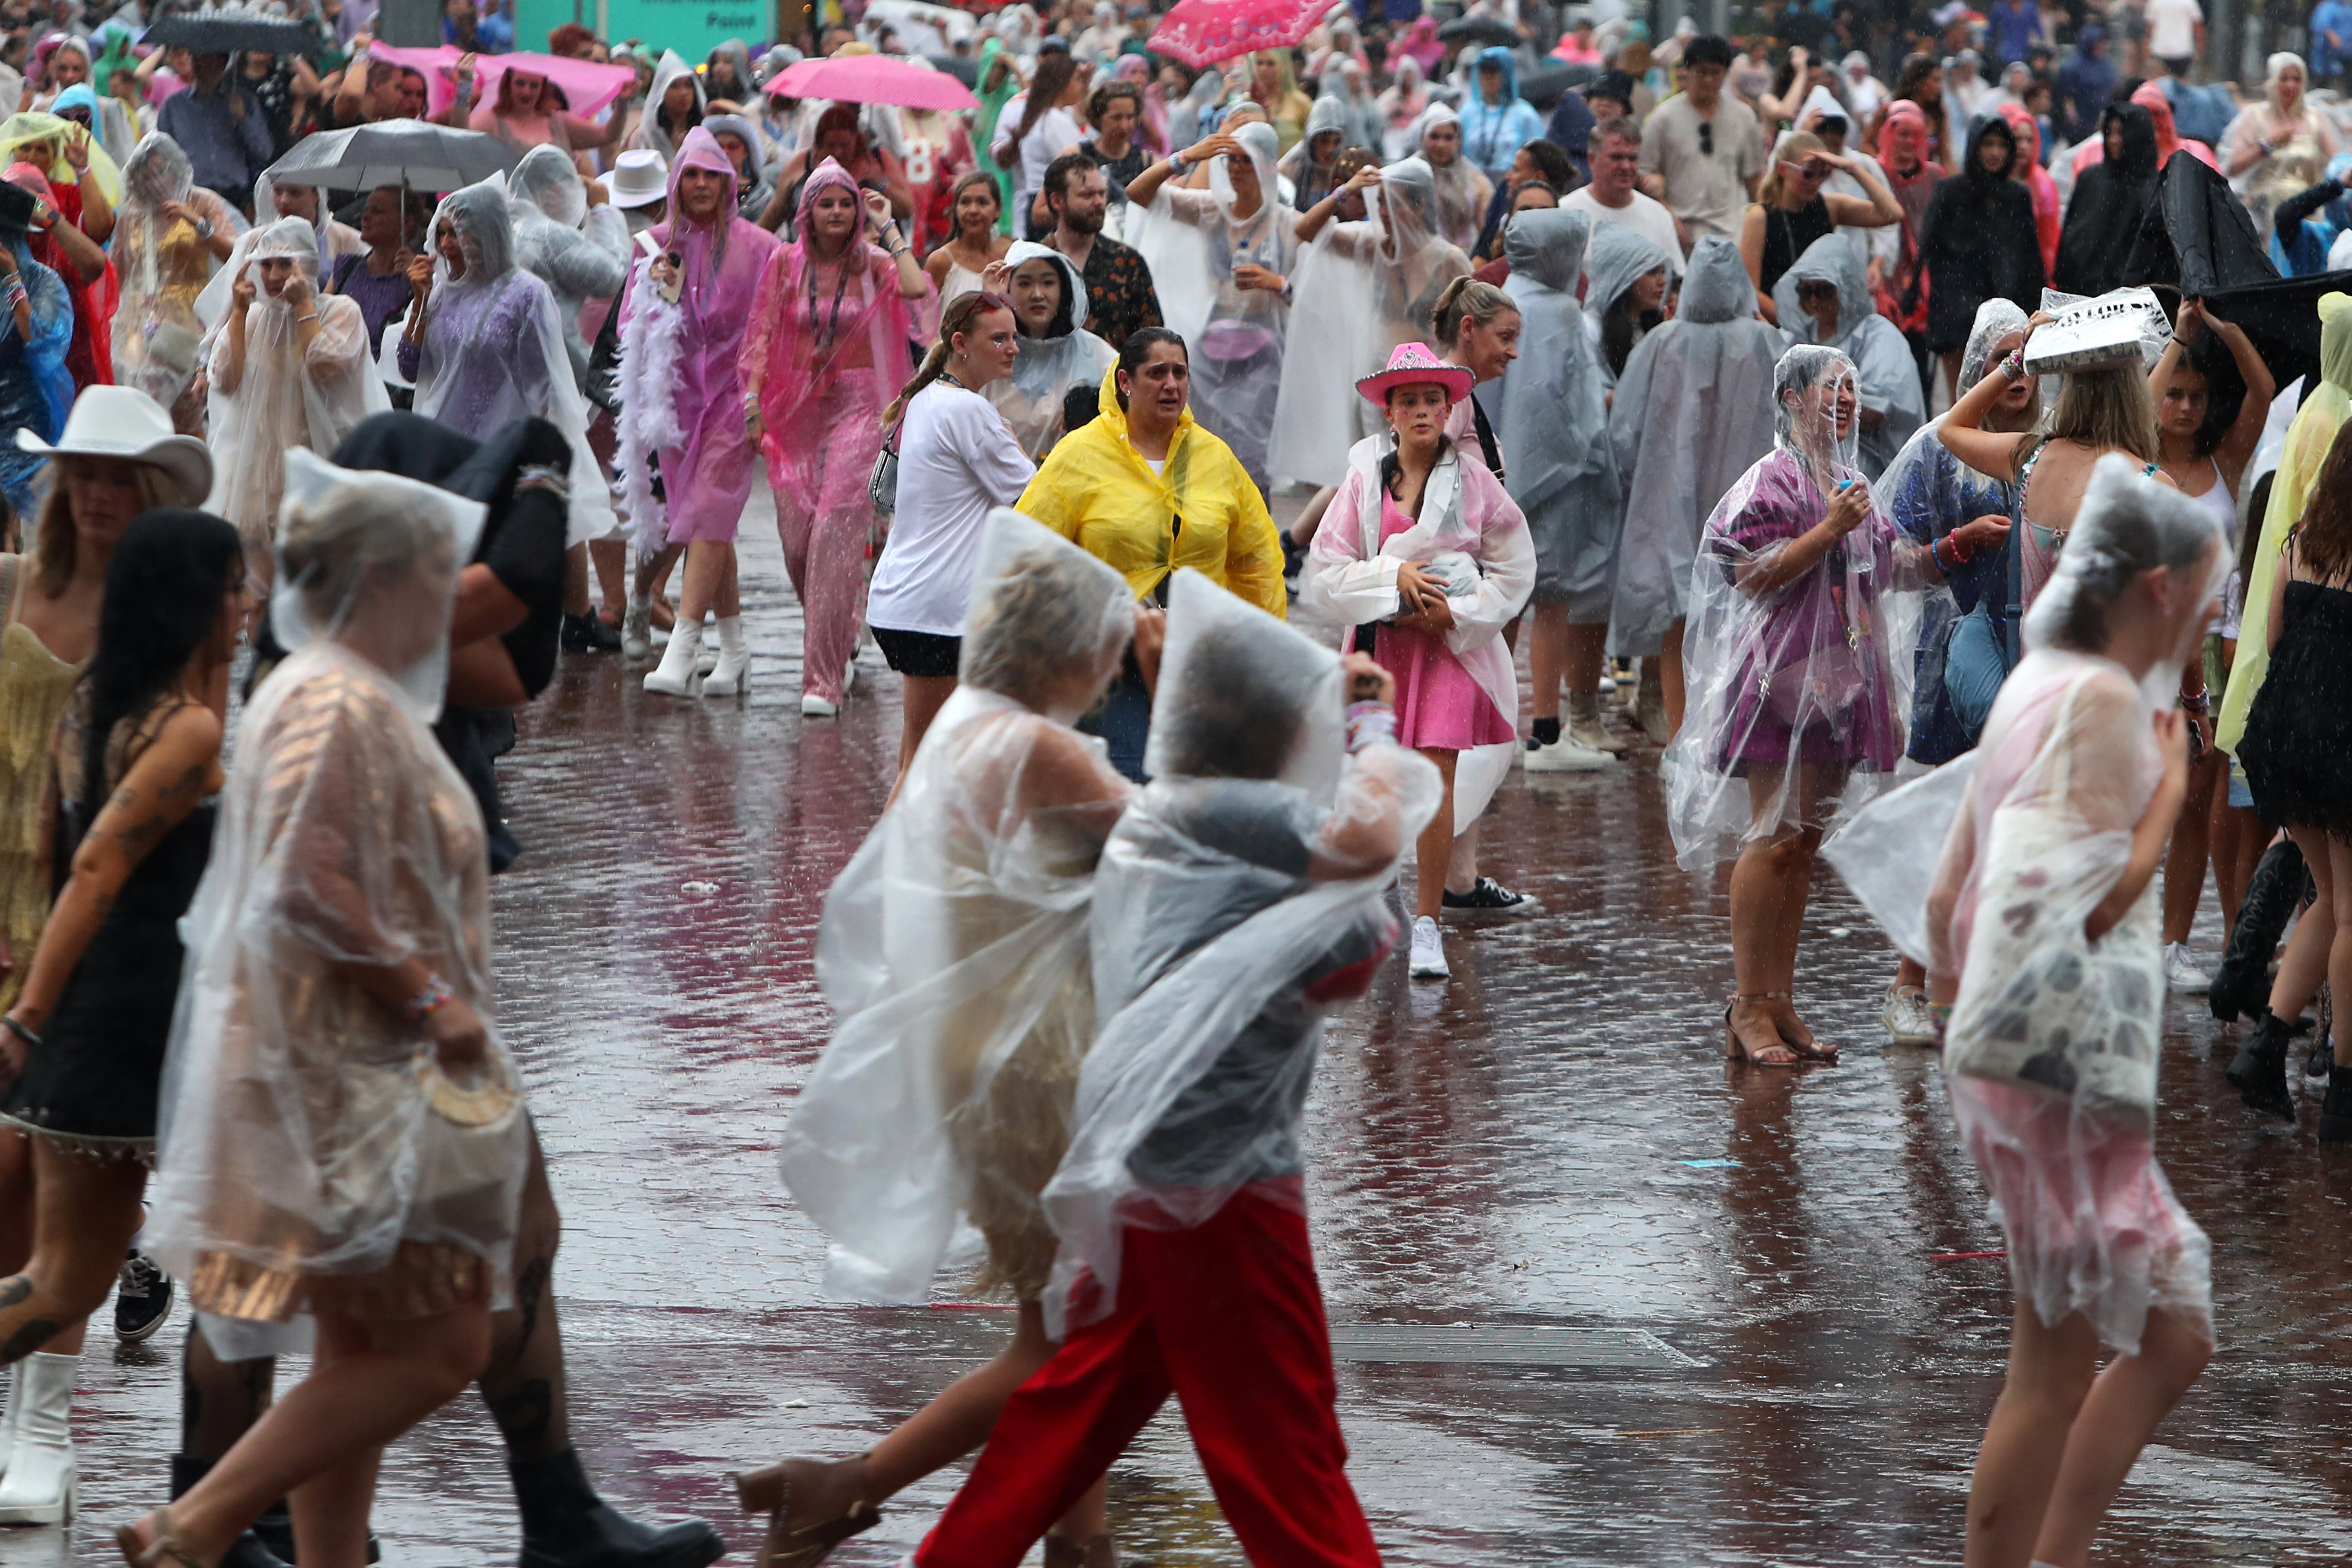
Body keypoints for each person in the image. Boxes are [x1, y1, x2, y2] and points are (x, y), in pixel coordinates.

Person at [898, 568, 1437, 1568]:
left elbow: (1335, 949)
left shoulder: (1175, 812)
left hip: (1157, 1160)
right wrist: (1369, 727)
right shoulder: (1238, 817)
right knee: (1282, 1440)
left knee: (1074, 1409)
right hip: (1222, 1176)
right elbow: (1367, 846)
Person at [124, 464, 534, 1568]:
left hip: (337, 1069)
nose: (451, 600)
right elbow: (306, 884)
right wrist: (430, 996)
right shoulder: (337, 698)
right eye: (438, 575)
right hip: (352, 1074)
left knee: (358, 1338)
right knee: (441, 1342)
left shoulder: (328, 687)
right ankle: (195, 1522)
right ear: (383, 580)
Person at [753, 512, 1144, 1568]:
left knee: (1064, 1325)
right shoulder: (1033, 745)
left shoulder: (968, 726)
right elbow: (1176, 841)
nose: (1113, 672)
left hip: (984, 1048)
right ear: (1064, 647)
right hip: (1039, 1058)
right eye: (1105, 649)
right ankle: (852, 1486)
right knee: (1067, 1340)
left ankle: (1078, 1538)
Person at [1921, 456, 2219, 1567]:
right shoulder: (2097, 700)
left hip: (2015, 1059)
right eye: (2200, 594)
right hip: (2050, 1066)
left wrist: (1968, 1032)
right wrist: (2173, 799)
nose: (2206, 616)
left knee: (2145, 1337)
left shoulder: (2034, 688)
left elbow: (1952, 892)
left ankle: (2056, 1555)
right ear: (2156, 591)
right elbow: (2086, 908)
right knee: (2073, 1359)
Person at [1667, 346, 1921, 1063]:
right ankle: (1747, 1004)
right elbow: (1748, 575)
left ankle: (1779, 1000)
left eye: (1850, 388)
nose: (1842, 400)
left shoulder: (1849, 480)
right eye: (1828, 388)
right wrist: (1828, 529)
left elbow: (1889, 568)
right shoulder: (1770, 480)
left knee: (1804, 842)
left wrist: (1952, 549)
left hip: (1845, 683)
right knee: (1772, 836)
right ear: (1789, 398)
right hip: (1781, 680)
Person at [1302, 341, 1531, 982]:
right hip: (1382, 650)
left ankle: (1428, 923)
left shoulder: (1476, 481)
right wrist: (1392, 576)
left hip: (1449, 653)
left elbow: (1516, 562)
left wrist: (1459, 612)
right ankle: (1381, 897)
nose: (1425, 410)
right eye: (1411, 401)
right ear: (1391, 413)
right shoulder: (1364, 480)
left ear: (1449, 406)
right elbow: (1325, 568)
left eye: (1434, 398)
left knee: (1436, 780)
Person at [1014, 330, 1284, 780]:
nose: (1171, 385)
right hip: (1110, 658)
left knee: (1195, 788)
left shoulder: (1215, 459)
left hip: (1199, 656)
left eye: (1180, 373)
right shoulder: (1079, 455)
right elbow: (1031, 552)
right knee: (1126, 784)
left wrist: (1262, 650)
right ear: (1125, 381)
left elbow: (1256, 558)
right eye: (1157, 373)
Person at [741, 159, 934, 719]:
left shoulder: (873, 263)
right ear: (807, 211)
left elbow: (921, 293)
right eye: (825, 203)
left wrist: (890, 227)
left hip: (860, 407)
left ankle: (823, 679)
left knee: (834, 531)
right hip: (795, 410)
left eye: (845, 203)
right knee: (799, 542)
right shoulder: (785, 263)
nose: (836, 212)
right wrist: (752, 403)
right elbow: (762, 336)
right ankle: (842, 625)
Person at [621, 129, 783, 698]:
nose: (700, 186)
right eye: (690, 174)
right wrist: (656, 295)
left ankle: (683, 647)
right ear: (676, 183)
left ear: (729, 183)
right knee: (705, 522)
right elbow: (628, 332)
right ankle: (735, 649)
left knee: (711, 508)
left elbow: (773, 324)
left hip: (736, 400)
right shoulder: (653, 246)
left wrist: (763, 397)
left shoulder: (761, 247)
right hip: (676, 405)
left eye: (711, 175)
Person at [2147, 300, 2273, 992]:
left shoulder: (2224, 459)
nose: (2187, 406)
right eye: (2176, 394)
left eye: (2196, 395)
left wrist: (2224, 328)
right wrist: (2178, 336)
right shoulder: (2135, 454)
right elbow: (2140, 404)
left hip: (2208, 649)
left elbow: (2261, 391)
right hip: (2148, 644)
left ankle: (2172, 942)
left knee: (2196, 802)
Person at [1611, 235, 1782, 743]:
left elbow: (1624, 434)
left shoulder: (1659, 345)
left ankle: (1684, 740)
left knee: (1679, 618)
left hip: (1667, 503)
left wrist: (1632, 484)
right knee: (1746, 619)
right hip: (1754, 505)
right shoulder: (1770, 342)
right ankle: (1735, 736)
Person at [867, 286, 1037, 781]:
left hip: (911, 601)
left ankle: (913, 856)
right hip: (937, 612)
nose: (1013, 348)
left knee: (920, 758)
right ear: (961, 343)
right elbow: (1034, 497)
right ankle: (898, 859)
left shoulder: (929, 398)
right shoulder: (967, 411)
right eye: (999, 339)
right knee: (927, 768)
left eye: (1014, 337)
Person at [2236, 420, 2352, 1137]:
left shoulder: (2300, 538)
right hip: (2341, 745)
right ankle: (2343, 1091)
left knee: (2332, 902)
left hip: (2281, 735)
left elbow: (2275, 638)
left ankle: (2267, 1043)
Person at [1478, 208, 1620, 774]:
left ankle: (1491, 726)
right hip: (1556, 484)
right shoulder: (1561, 312)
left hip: (1500, 479)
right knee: (1553, 603)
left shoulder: (1497, 302)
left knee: (1505, 602)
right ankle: (1546, 731)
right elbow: (1579, 407)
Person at [399, 178, 613, 548]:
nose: (448, 245)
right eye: (444, 233)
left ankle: (578, 608)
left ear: (487, 232)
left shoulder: (526, 293)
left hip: (503, 451)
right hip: (445, 450)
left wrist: (531, 459)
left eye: (459, 234)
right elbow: (409, 368)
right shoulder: (439, 295)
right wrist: (419, 304)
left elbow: (544, 383)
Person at [197, 217, 388, 580]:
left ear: (309, 264)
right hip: (258, 471)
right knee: (258, 583)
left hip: (319, 462)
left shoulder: (340, 311)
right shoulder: (254, 317)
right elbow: (225, 378)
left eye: (286, 264)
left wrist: (303, 308)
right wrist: (237, 314)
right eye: (266, 265)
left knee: (314, 583)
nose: (273, 275)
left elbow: (328, 369)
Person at [1940, 315, 2168, 615]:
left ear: (2070, 387)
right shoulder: (2154, 485)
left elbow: (1951, 428)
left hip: (2033, 659)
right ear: (2135, 391)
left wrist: (2020, 359)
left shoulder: (2032, 457)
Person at [1121, 124, 1297, 493]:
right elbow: (1138, 193)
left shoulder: (1287, 223)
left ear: (1267, 166)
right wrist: (1184, 158)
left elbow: (1310, 296)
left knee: (1251, 457)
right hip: (1209, 348)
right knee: (1197, 448)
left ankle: (1255, 541)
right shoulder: (1210, 210)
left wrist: (1276, 283)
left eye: (1246, 161)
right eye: (1231, 160)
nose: (1236, 169)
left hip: (1264, 353)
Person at [111, 135, 239, 432]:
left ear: (177, 169)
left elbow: (234, 254)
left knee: (187, 411)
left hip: (190, 318)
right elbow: (118, 274)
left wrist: (196, 221)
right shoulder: (132, 217)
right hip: (140, 320)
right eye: (146, 175)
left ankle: (190, 472)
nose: (155, 182)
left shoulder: (203, 201)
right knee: (143, 411)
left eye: (161, 172)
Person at [1914, 115, 2044, 404]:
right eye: (1988, 144)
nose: (1996, 153)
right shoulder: (1950, 192)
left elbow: (2030, 259)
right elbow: (1929, 251)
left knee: (2008, 402)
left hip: (2007, 314)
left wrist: (2033, 310)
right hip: (1956, 316)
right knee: (1962, 400)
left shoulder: (2017, 196)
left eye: (2002, 145)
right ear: (1975, 147)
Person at [1772, 233, 1923, 478]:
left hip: (1867, 470)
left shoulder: (1878, 335)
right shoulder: (1798, 337)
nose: (1813, 301)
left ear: (1847, 288)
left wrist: (1816, 407)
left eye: (1823, 291)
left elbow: (1884, 412)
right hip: (1804, 469)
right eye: (1804, 292)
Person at [1740, 130, 1900, 317]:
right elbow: (1750, 290)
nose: (1816, 183)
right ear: (1784, 170)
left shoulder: (1829, 207)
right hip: (1777, 327)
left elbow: (1893, 214)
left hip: (1818, 327)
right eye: (1808, 174)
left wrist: (1852, 168)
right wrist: (1793, 323)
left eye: (1823, 175)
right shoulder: (1760, 217)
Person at [988, 241, 1115, 460]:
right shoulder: (990, 352)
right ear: (1007, 290)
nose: (1037, 295)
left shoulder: (1096, 354)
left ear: (1063, 289)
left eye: (1048, 283)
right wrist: (990, 307)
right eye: (1025, 284)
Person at [1638, 35, 1764, 249]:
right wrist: (1667, 215)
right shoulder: (1662, 119)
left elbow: (1754, 179)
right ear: (1687, 71)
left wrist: (1760, 225)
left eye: (1716, 73)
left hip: (1732, 233)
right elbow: (1644, 172)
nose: (1708, 80)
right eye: (1701, 72)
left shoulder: (1744, 117)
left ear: (1726, 73)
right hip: (1680, 232)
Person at [1042, 153, 1161, 356]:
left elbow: (1151, 340)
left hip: (1114, 382)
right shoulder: (1036, 262)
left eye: (1102, 193)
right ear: (1057, 201)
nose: (1099, 202)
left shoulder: (1128, 262)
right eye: (1087, 195)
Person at [2218, 53, 2340, 241]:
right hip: (2262, 212)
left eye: (2296, 79)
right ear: (2272, 81)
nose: (2291, 85)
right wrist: (2268, 145)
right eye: (2284, 79)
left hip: (2306, 212)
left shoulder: (2316, 119)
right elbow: (2232, 167)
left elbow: (2338, 164)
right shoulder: (2254, 117)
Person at [2056, 103, 2160, 298]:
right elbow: (2072, 238)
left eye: (2122, 133)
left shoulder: (2155, 186)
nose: (2114, 140)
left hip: (2131, 301)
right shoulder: (2092, 179)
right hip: (2082, 296)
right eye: (2109, 132)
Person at [1568, 117, 1684, 278]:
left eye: (1633, 158)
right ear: (1592, 160)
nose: (1626, 166)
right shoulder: (1567, 213)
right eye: (1616, 158)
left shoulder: (1659, 215)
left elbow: (1676, 280)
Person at [154, 53, 270, 211]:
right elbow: (161, 154)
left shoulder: (244, 101)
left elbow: (264, 151)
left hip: (235, 196)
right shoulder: (173, 106)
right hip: (191, 197)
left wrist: (243, 118)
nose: (199, 66)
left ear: (221, 63)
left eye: (206, 60)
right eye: (195, 59)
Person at [457, 59, 622, 162]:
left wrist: (623, 103)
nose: (527, 92)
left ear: (543, 89)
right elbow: (459, 135)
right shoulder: (492, 121)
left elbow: (609, 135)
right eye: (520, 83)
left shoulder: (559, 121)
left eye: (534, 86)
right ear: (508, 84)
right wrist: (465, 85)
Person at [328, 186, 422, 366]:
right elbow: (321, 317)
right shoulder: (347, 267)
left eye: (377, 211)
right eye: (365, 210)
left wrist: (416, 283)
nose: (364, 217)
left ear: (407, 222)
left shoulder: (421, 275)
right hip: (338, 378)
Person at [993, 51, 1082, 239]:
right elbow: (1077, 166)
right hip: (1051, 203)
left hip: (1037, 202)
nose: (1080, 86)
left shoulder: (1040, 117)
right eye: (1077, 80)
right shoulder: (1054, 120)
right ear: (1062, 84)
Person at [1408, 103, 1491, 254]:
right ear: (1422, 138)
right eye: (1434, 137)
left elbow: (1487, 231)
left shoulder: (1475, 179)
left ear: (1459, 141)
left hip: (1468, 260)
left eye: (1449, 138)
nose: (1441, 145)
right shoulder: (1410, 176)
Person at [1459, 46, 1542, 185]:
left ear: (1506, 74)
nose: (1487, 77)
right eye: (1482, 71)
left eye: (1493, 72)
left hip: (1511, 184)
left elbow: (1537, 155)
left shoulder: (1525, 114)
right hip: (1472, 185)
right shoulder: (1467, 112)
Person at [927, 169, 1011, 303]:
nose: (973, 211)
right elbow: (924, 315)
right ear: (956, 209)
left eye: (982, 203)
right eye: (965, 203)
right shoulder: (940, 261)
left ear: (998, 210)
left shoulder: (1011, 254)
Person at [626, 49, 703, 162]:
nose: (684, 93)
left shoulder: (703, 132)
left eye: (688, 86)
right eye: (674, 86)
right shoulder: (645, 135)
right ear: (661, 93)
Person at [1276, 95, 1346, 213]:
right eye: (1324, 141)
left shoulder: (1348, 171)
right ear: (1312, 141)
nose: (1330, 149)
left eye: (1337, 142)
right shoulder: (1290, 170)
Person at [1245, 48, 1313, 153]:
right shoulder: (1246, 103)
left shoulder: (1300, 102)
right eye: (1259, 63)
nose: (1263, 69)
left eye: (1271, 64)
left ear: (1284, 66)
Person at [2057, 25, 2115, 147]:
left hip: (2101, 116)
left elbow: (2111, 89)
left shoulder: (2106, 65)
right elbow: (2067, 97)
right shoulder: (2072, 67)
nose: (2101, 46)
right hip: (2082, 116)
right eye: (2097, 43)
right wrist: (2074, 118)